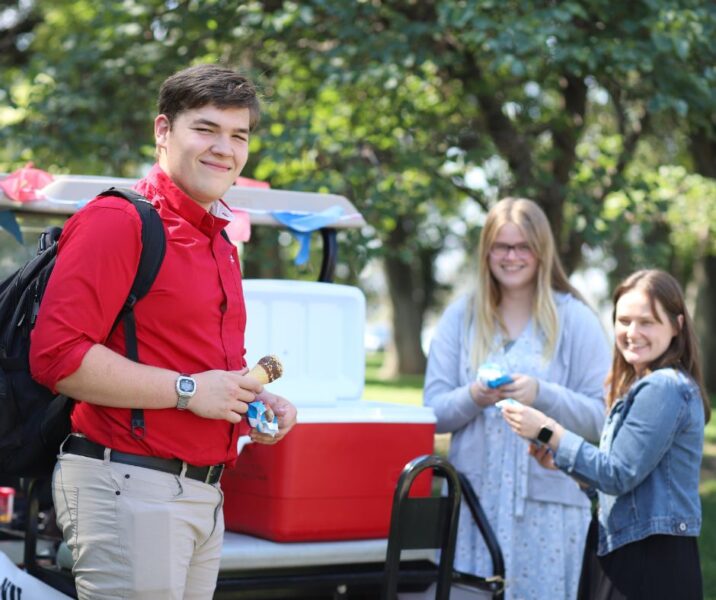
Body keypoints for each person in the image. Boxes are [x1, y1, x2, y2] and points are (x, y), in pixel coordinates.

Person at [29, 64, 297, 600]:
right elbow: (57, 357)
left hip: (201, 493)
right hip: (128, 486)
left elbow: (197, 370)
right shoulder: (118, 220)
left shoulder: (220, 240)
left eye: (238, 135)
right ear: (162, 130)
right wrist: (190, 391)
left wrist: (251, 402)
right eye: (206, 129)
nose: (224, 148)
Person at [424, 197, 611, 599]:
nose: (511, 256)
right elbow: (432, 414)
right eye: (501, 246)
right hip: (474, 508)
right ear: (486, 251)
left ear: (541, 250)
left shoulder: (574, 319)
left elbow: (600, 419)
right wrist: (474, 395)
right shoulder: (462, 317)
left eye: (522, 246)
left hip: (548, 509)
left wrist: (542, 394)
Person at [502, 269, 708, 599]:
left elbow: (617, 475)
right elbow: (624, 482)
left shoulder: (663, 387)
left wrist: (548, 430)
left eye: (647, 322)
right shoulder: (646, 385)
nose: (632, 332)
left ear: (677, 325)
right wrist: (567, 467)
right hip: (630, 550)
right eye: (624, 320)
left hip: (649, 561)